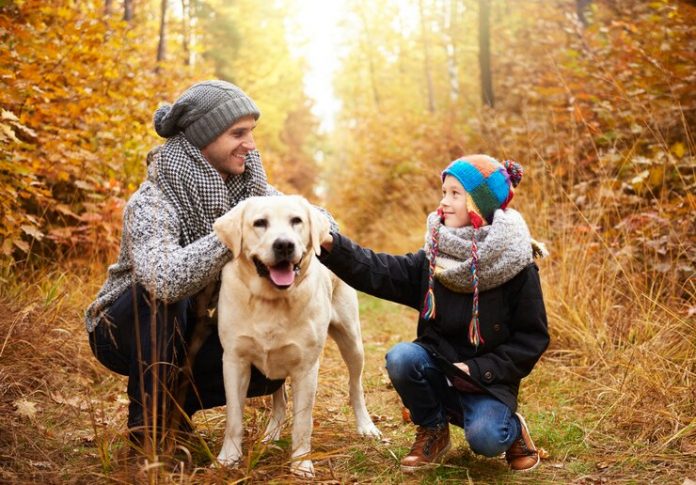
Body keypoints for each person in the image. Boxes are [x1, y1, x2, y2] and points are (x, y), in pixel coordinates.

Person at [84, 80, 326, 451]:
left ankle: (174, 411)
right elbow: (166, 280)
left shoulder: (248, 191)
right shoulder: (153, 201)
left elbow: (323, 220)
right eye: (238, 133)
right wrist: (236, 232)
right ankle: (149, 428)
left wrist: (295, 222)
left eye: (252, 133)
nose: (251, 145)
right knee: (163, 297)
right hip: (124, 327)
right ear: (203, 140)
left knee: (269, 369)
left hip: (195, 328)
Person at [319, 154, 549, 473]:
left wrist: (477, 369)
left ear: (480, 204)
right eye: (444, 192)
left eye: (455, 194)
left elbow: (531, 339)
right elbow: (381, 270)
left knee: (485, 440)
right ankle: (434, 429)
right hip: (438, 366)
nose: (444, 202)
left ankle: (510, 429)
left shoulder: (517, 266)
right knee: (401, 358)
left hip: (488, 380)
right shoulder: (435, 257)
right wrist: (330, 244)